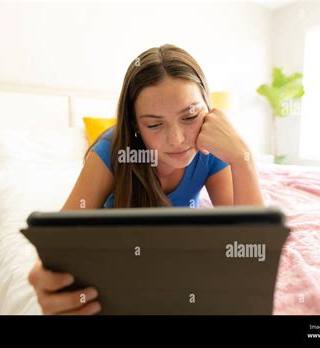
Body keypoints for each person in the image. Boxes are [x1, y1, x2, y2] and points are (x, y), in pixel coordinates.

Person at [28, 44, 264, 314]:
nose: (177, 139)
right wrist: (47, 273)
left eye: (190, 116)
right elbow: (60, 240)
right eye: (154, 124)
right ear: (135, 126)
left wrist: (243, 157)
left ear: (208, 110)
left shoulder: (210, 147)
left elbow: (251, 248)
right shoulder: (112, 150)